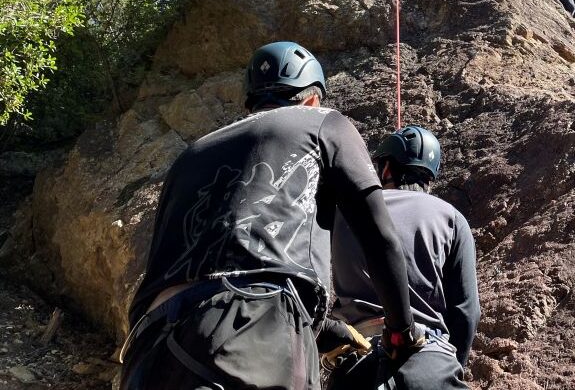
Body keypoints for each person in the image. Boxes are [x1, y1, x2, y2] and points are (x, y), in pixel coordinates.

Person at [119, 41, 425, 390]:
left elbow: (204, 270)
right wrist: (401, 333)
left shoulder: (191, 154)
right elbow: (378, 236)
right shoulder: (323, 123)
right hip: (253, 326)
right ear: (311, 99)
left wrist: (323, 327)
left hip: (150, 345)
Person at [327, 126, 480, 390]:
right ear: (429, 178)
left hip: (355, 363)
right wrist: (450, 366)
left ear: (385, 170)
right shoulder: (452, 219)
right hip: (428, 361)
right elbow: (467, 312)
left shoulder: (341, 213)